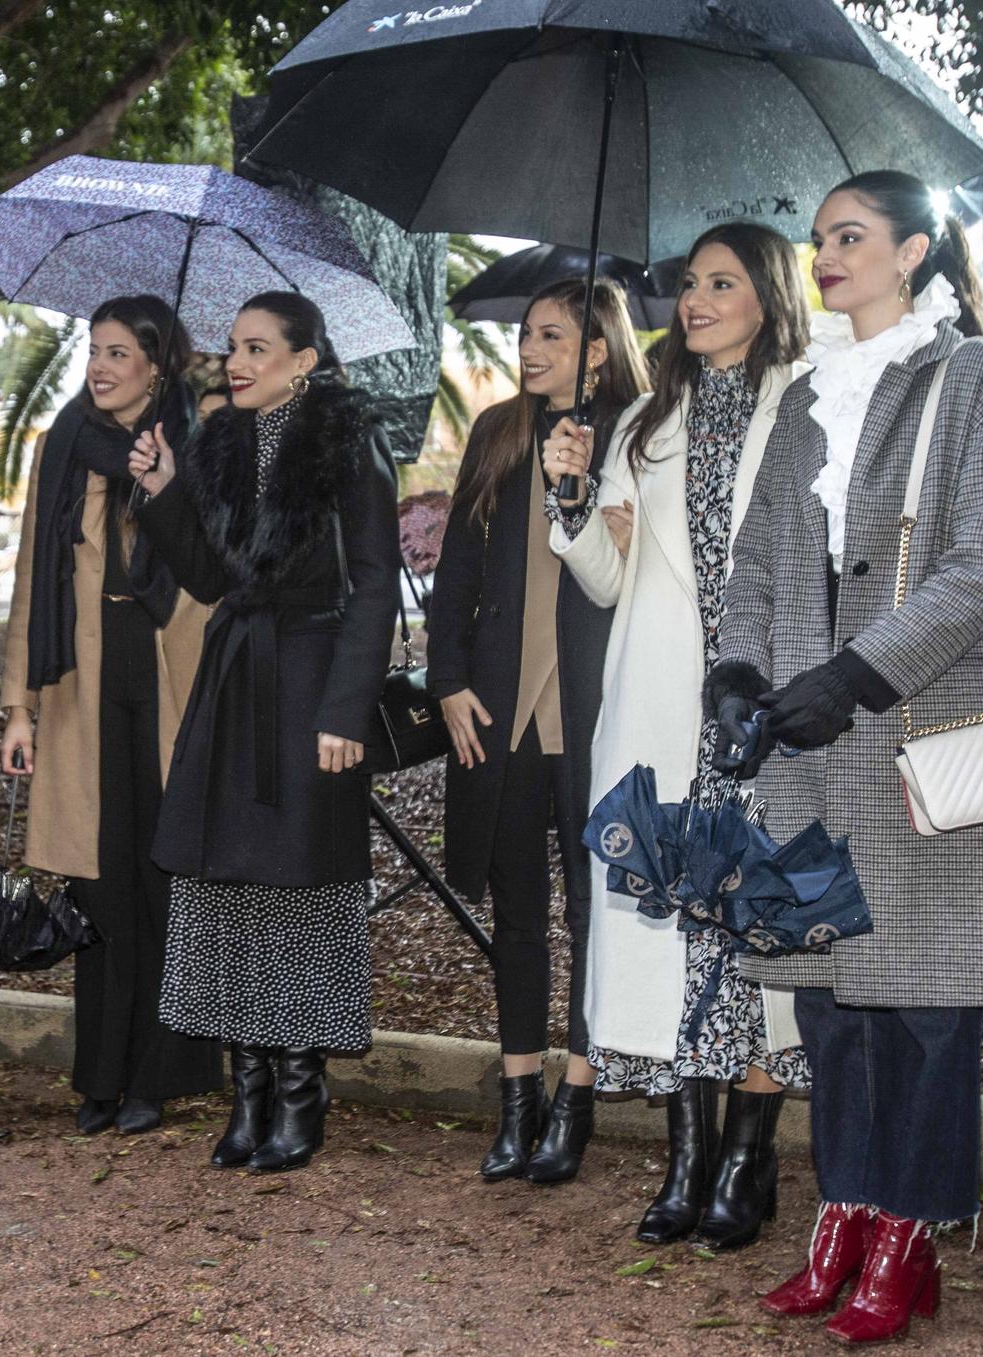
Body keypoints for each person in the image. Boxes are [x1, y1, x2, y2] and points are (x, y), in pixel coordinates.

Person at [707, 172, 983, 1343]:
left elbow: (980, 567)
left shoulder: (973, 379)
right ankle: (842, 1208)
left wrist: (850, 676)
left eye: (847, 238)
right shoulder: (804, 397)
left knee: (924, 1006)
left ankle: (909, 1231)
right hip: (804, 748)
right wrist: (735, 674)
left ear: (911, 253)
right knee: (831, 1005)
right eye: (815, 241)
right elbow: (752, 564)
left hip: (916, 732)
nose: (822, 258)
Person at [546, 222, 813, 1247]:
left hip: (765, 714)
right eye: (688, 285)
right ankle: (685, 1158)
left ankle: (747, 1162)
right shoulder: (644, 422)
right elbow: (610, 581)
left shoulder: (810, 402)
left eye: (719, 283)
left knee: (758, 932)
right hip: (659, 704)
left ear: (766, 294)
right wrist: (571, 497)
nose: (694, 300)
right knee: (672, 939)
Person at [126, 291, 399, 1175]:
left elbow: (374, 580)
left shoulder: (346, 443)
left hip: (313, 680)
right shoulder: (222, 442)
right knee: (227, 882)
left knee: (302, 888)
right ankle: (246, 1092)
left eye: (257, 347)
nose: (236, 361)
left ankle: (299, 1091)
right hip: (235, 675)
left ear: (304, 359)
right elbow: (209, 575)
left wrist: (344, 710)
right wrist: (165, 490)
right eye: (232, 347)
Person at [426, 277, 647, 1185]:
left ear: (597, 347)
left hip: (596, 708)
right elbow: (456, 575)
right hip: (499, 704)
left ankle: (577, 1100)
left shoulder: (635, 434)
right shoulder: (498, 431)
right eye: (526, 334)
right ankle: (518, 1097)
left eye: (551, 334)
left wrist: (583, 476)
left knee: (596, 907)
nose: (528, 348)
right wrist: (447, 683)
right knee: (515, 910)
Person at [0, 295, 223, 1136]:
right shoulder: (66, 445)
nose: (99, 365)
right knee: (98, 885)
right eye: (95, 349)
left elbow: (215, 569)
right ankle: (100, 1074)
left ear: (157, 366)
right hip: (83, 681)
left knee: (161, 878)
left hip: (168, 670)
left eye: (120, 352)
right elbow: (31, 578)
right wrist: (18, 706)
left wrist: (166, 482)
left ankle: (157, 1076)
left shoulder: (195, 443)